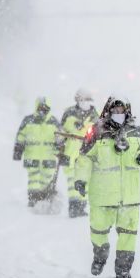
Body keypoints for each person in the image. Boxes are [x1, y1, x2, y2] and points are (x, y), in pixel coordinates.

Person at [74, 96, 140, 278]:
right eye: (114, 110)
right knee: (98, 230)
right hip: (102, 194)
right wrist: (81, 180)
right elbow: (85, 158)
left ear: (127, 110)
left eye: (121, 110)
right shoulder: (96, 131)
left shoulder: (137, 132)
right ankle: (100, 255)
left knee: (128, 234)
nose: (118, 114)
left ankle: (123, 269)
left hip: (129, 196)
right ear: (108, 110)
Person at [13, 97, 61, 207]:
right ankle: (33, 199)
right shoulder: (28, 120)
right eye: (40, 107)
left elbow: (60, 137)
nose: (42, 110)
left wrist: (59, 146)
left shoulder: (53, 121)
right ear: (36, 107)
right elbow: (20, 136)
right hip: (32, 155)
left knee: (47, 178)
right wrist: (18, 149)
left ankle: (45, 198)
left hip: (48, 156)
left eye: (45, 108)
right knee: (33, 179)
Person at [59, 88, 99, 218]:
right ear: (77, 100)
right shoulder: (69, 113)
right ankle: (74, 207)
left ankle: (81, 207)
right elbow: (60, 133)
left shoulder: (95, 115)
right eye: (83, 99)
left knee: (85, 182)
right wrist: (59, 148)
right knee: (72, 183)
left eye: (88, 99)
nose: (85, 102)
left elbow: (99, 135)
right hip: (70, 154)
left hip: (86, 155)